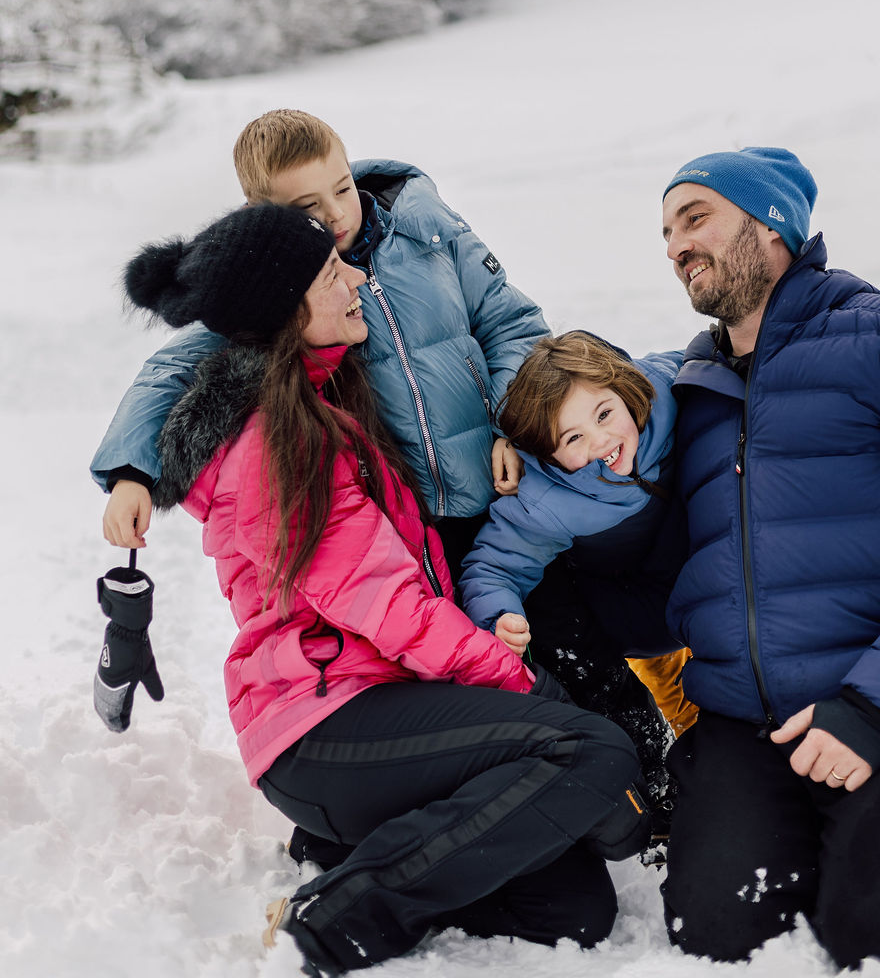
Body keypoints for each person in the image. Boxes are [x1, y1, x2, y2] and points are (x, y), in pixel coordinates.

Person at [120, 201, 648, 974]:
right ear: (287, 312)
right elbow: (385, 603)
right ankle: (334, 919)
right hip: (322, 720)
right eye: (333, 274)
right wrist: (522, 684)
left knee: (573, 910)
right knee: (590, 749)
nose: (358, 279)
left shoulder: (325, 401)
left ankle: (343, 850)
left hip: (376, 708)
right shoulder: (278, 442)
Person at [650, 146, 880, 976]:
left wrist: (874, 709)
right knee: (718, 940)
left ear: (772, 225)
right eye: (666, 232)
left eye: (695, 218)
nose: (675, 246)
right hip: (749, 725)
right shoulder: (689, 394)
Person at [95, 109, 549, 575]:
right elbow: (171, 369)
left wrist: (513, 427)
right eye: (307, 206)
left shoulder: (427, 231)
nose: (334, 213)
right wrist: (131, 474)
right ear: (264, 212)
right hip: (403, 527)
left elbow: (512, 325)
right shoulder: (272, 283)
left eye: (342, 189)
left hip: (503, 484)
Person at [460, 331, 698, 779]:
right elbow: (493, 566)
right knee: (667, 678)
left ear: (623, 388)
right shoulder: (546, 500)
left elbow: (716, 357)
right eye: (573, 438)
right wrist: (499, 616)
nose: (600, 441)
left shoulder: (670, 392)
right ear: (547, 454)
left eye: (604, 414)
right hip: (632, 607)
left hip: (701, 574)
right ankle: (676, 740)